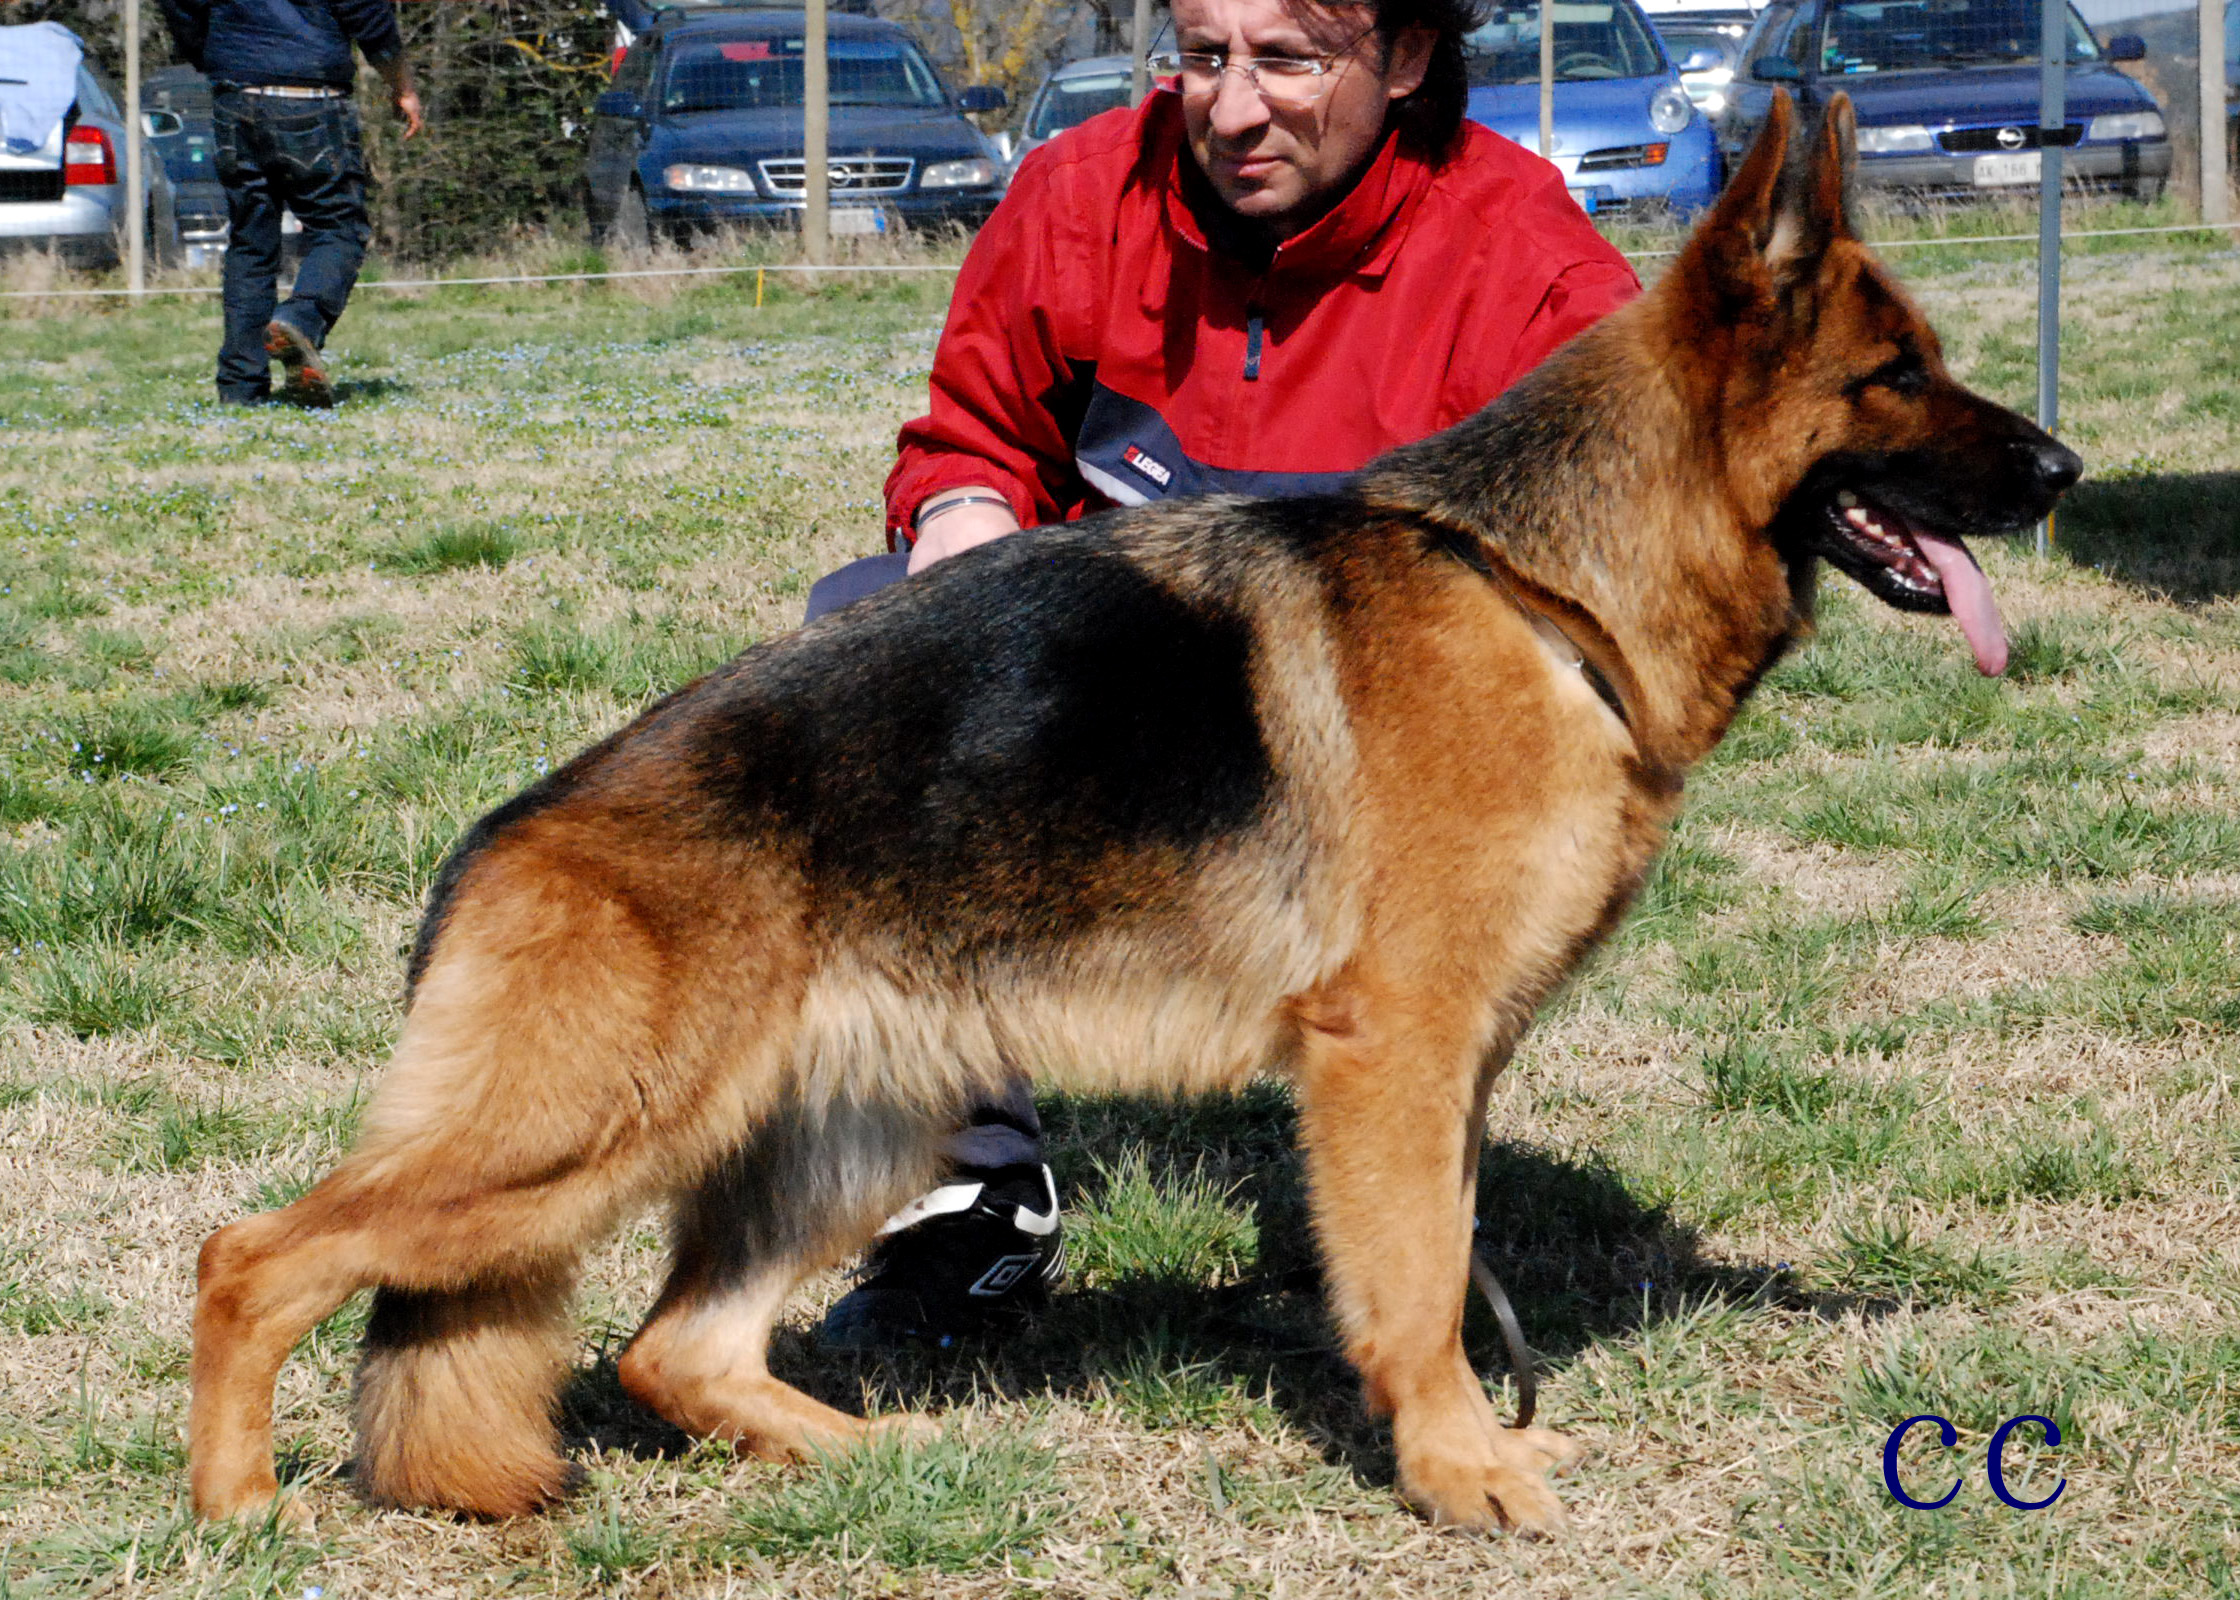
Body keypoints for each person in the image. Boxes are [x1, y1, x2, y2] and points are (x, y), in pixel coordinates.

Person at [808, 0, 1637, 1349]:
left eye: (1290, 62)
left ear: (1410, 55)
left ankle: (1394, 1186)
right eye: (1203, 58)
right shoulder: (1080, 194)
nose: (1233, 109)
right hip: (1111, 685)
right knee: (853, 642)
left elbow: (1631, 503)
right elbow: (967, 434)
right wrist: (959, 517)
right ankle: (968, 1195)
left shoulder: (1522, 251)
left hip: (1377, 725)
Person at [156, 0, 423, 407]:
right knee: (340, 229)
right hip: (311, 96)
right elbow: (367, 12)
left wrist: (215, 55)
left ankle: (241, 389)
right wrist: (401, 84)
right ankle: (299, 319)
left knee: (251, 244)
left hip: (236, 95)